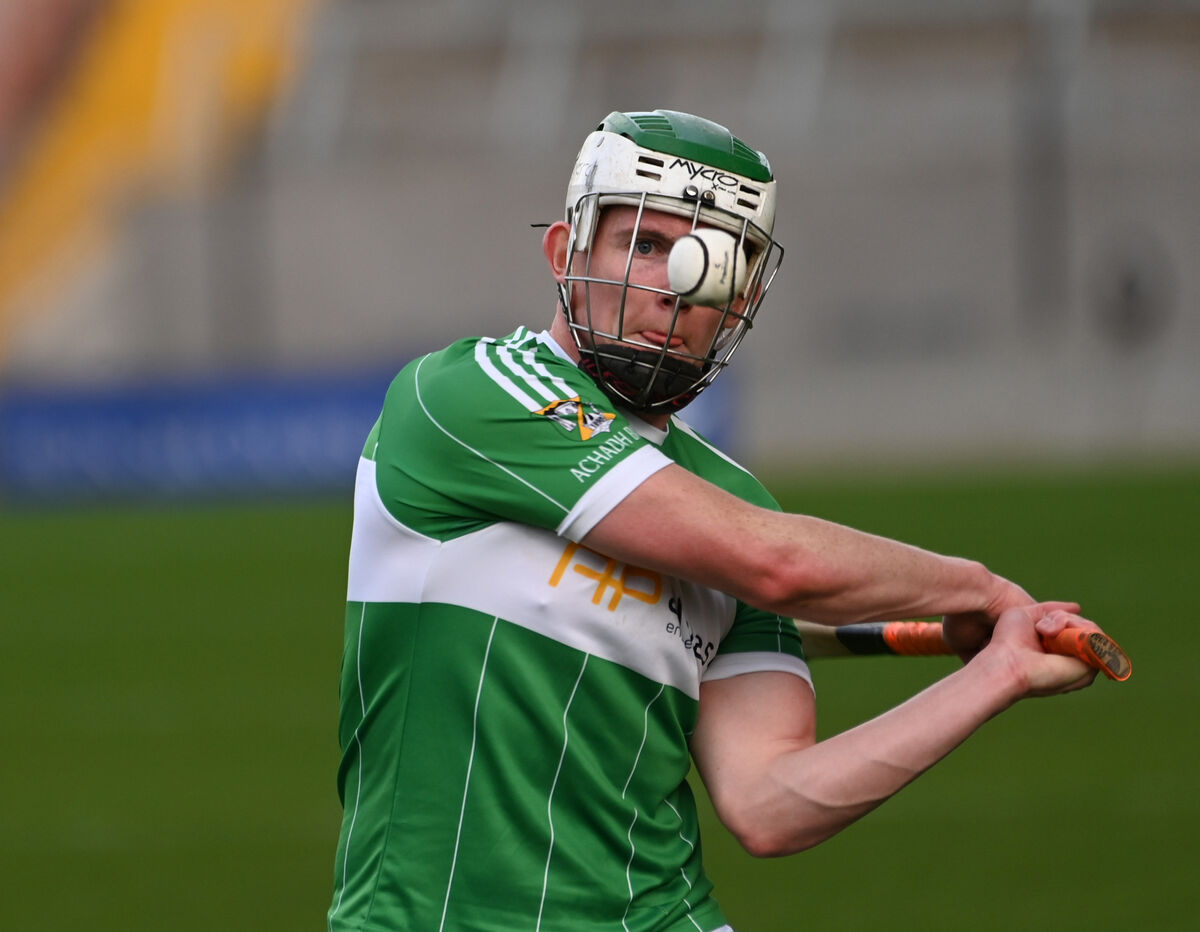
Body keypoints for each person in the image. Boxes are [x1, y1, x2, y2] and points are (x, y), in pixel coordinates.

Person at [327, 109, 1104, 932]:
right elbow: (781, 568)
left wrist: (997, 673)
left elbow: (771, 801)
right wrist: (977, 589)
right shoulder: (466, 397)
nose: (675, 284)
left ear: (740, 300)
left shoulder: (731, 504)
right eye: (646, 244)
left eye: (715, 259)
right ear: (566, 252)